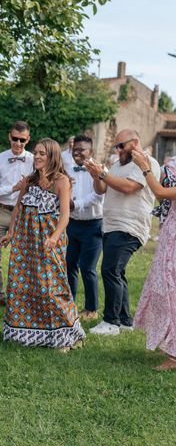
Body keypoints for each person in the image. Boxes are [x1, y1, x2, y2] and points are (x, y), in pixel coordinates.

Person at [1, 138, 85, 350]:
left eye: (42, 154)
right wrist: (11, 233)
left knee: (52, 288)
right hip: (25, 241)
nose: (37, 157)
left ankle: (66, 334)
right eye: (36, 153)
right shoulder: (29, 181)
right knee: (23, 285)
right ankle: (27, 332)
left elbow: (65, 216)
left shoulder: (61, 181)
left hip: (49, 241)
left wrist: (55, 236)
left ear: (52, 157)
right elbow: (18, 208)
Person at [85, 129, 160, 335]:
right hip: (110, 225)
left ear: (135, 142)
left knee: (110, 270)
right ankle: (126, 320)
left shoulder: (147, 162)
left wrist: (103, 174)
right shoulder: (118, 165)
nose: (118, 150)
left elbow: (129, 187)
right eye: (115, 147)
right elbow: (101, 189)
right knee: (117, 271)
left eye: (121, 146)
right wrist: (96, 175)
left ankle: (112, 321)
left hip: (129, 226)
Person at [130, 149, 176, 370]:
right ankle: (170, 341)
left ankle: (174, 355)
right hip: (170, 234)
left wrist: (145, 167)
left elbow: (160, 192)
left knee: (171, 291)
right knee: (165, 289)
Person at [0, 121, 34, 308]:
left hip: (23, 213)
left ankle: (20, 296)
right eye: (15, 139)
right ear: (9, 136)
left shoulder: (33, 159)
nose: (18, 143)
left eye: (22, 140)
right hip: (1, 210)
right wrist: (13, 188)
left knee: (22, 256)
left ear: (28, 139)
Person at [65, 135, 104, 320]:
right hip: (71, 224)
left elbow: (98, 195)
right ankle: (69, 304)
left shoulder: (100, 170)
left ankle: (92, 309)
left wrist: (75, 204)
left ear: (91, 152)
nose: (77, 152)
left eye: (81, 149)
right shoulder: (67, 169)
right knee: (69, 264)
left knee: (88, 267)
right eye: (75, 149)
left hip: (93, 225)